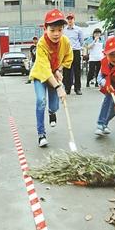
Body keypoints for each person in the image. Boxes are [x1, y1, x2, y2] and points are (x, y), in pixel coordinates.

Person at [29, 9, 72, 147]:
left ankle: (51, 112)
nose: (56, 34)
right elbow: (45, 69)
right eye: (52, 30)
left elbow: (68, 57)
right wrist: (59, 87)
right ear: (45, 28)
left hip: (53, 74)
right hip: (40, 75)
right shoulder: (41, 44)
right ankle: (41, 134)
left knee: (54, 106)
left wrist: (59, 69)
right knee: (41, 100)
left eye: (60, 30)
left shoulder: (65, 41)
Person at [63, 12, 84, 95]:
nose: (70, 20)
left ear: (74, 20)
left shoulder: (78, 30)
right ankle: (67, 88)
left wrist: (77, 47)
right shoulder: (64, 30)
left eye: (71, 19)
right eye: (68, 19)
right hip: (67, 52)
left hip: (76, 51)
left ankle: (77, 88)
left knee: (77, 70)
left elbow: (81, 41)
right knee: (66, 71)